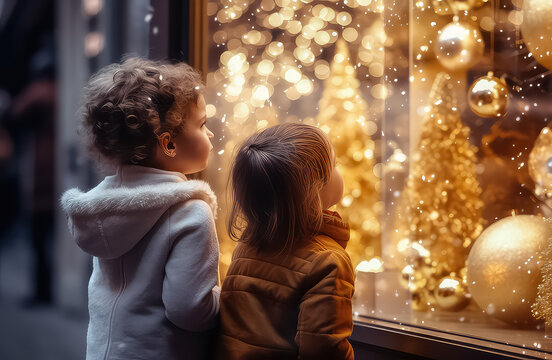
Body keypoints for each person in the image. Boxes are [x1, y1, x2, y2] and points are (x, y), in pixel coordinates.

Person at [61, 57, 220, 360]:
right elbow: (188, 309)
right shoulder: (189, 213)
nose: (210, 134)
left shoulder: (102, 207)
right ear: (169, 144)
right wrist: (227, 300)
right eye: (202, 125)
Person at [220, 123, 355, 360]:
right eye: (334, 165)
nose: (339, 171)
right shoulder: (329, 261)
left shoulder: (248, 244)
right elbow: (324, 349)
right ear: (315, 188)